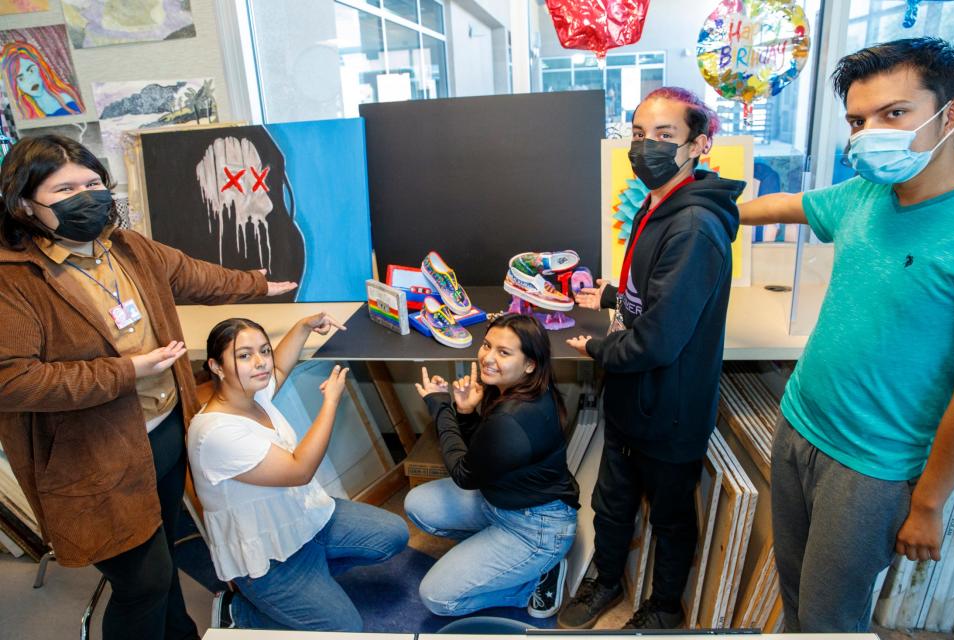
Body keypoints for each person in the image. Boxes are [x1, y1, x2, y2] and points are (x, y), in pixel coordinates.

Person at [0, 134, 297, 640]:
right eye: (65, 189)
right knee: (145, 583)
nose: (86, 195)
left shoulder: (126, 247)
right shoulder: (15, 278)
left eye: (93, 182)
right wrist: (126, 371)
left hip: (161, 432)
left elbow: (191, 275)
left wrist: (257, 285)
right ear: (26, 203)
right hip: (92, 456)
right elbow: (13, 381)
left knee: (163, 550)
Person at [737, 37, 954, 632]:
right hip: (799, 424)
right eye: (858, 121)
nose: (870, 134)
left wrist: (930, 504)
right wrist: (702, 204)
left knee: (831, 617)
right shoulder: (864, 195)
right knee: (794, 592)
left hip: (872, 469)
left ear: (951, 113)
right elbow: (786, 205)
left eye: (894, 114)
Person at [561, 87, 744, 629]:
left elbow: (659, 340)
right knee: (612, 503)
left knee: (668, 516)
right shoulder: (656, 201)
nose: (646, 148)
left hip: (669, 406)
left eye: (665, 136)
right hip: (630, 398)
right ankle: (607, 580)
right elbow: (657, 295)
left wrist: (597, 348)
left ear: (699, 145)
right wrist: (613, 298)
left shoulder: (693, 226)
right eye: (639, 135)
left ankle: (663, 607)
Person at [188, 316, 409, 631]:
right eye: (244, 355)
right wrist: (330, 402)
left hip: (307, 519)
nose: (261, 362)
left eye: (264, 350)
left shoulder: (254, 393)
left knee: (392, 535)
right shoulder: (216, 433)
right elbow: (299, 470)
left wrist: (304, 327)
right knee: (346, 630)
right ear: (216, 366)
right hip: (271, 559)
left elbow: (279, 367)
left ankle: (314, 588)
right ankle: (240, 612)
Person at [406, 314, 579, 619]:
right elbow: (486, 455)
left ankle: (533, 579)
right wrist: (465, 412)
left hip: (537, 528)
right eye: (487, 345)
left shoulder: (514, 418)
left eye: (504, 352)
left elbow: (464, 473)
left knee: (436, 597)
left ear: (530, 364)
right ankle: (503, 555)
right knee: (417, 504)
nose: (487, 357)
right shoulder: (525, 390)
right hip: (500, 501)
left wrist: (440, 407)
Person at [1, 42, 84, 118]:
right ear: (15, 85)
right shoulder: (24, 110)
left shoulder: (67, 101)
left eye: (31, 71)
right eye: (21, 78)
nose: (30, 81)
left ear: (41, 68)